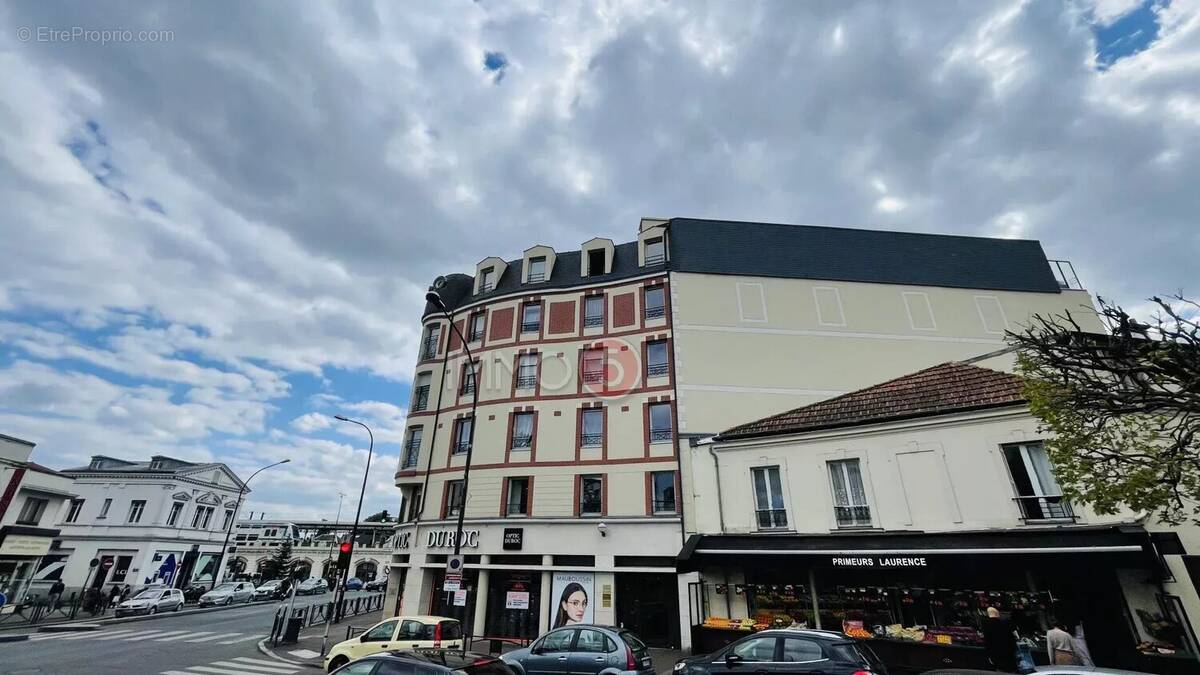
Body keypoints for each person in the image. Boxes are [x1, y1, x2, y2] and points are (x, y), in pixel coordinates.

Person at [982, 607, 1018, 672]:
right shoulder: (1005, 624)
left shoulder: (986, 625)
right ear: (997, 614)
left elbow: (987, 642)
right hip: (1008, 654)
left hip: (996, 655)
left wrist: (990, 655)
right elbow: (1012, 639)